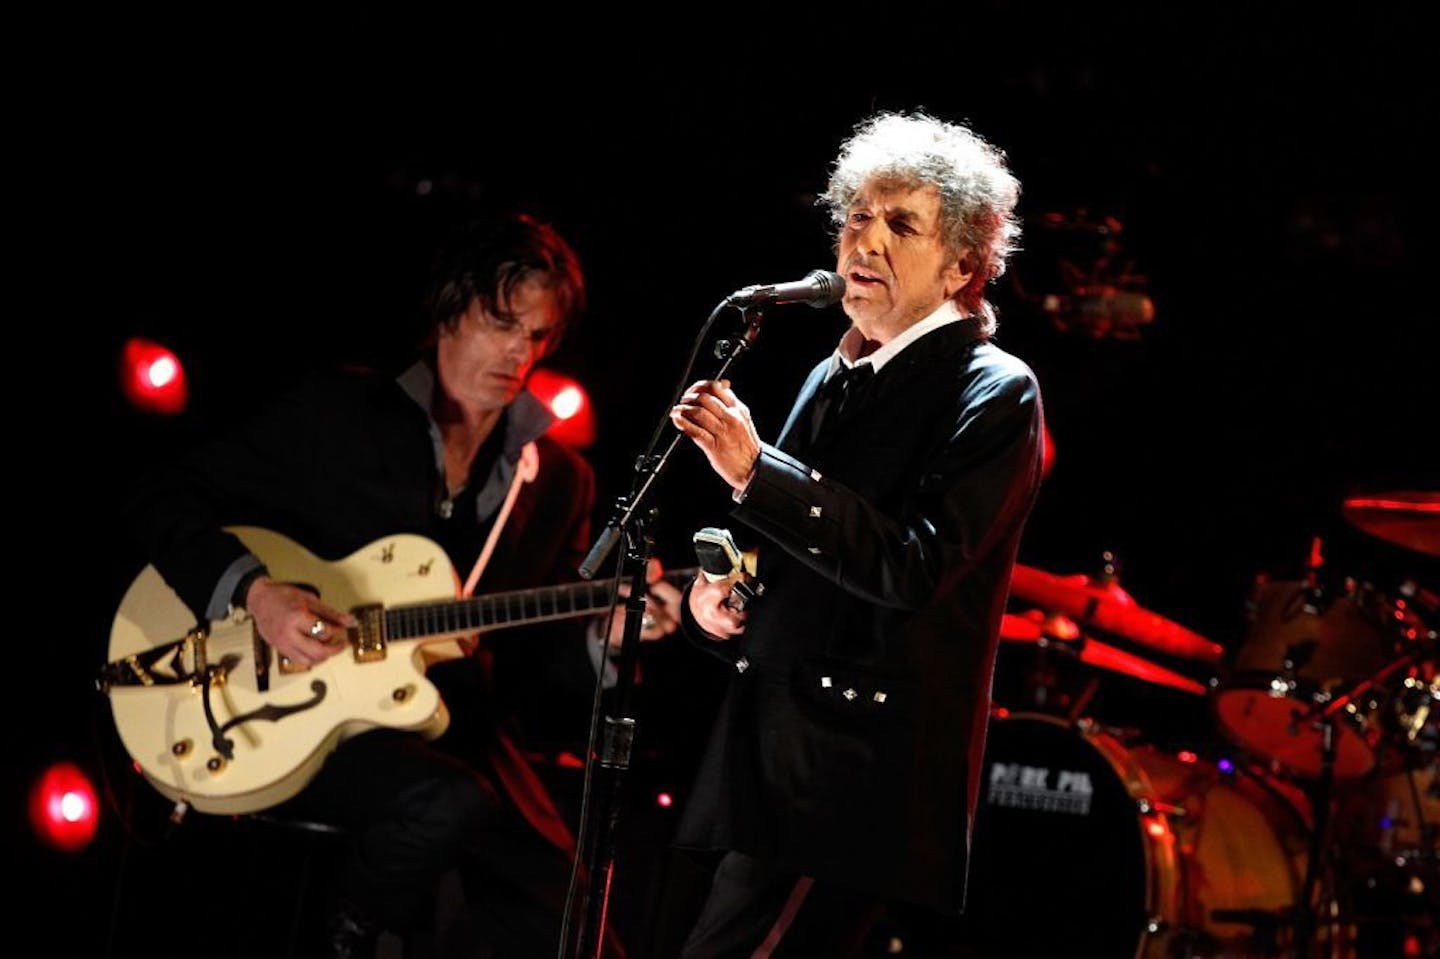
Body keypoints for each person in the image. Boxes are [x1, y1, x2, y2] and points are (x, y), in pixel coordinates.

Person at [122, 212, 681, 958]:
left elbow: (531, 673)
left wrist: (601, 643)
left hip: (461, 734)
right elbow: (161, 496)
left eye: (539, 335)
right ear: (450, 306)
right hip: (300, 718)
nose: (519, 351)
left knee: (578, 928)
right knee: (445, 805)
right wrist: (255, 594)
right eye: (501, 321)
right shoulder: (339, 416)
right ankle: (344, 938)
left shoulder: (556, 483)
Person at [668, 111, 1046, 956]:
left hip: (855, 780)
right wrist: (718, 596)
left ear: (962, 265)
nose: (864, 242)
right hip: (766, 758)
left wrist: (756, 472)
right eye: (856, 218)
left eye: (900, 224)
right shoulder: (831, 371)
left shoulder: (994, 390)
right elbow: (785, 551)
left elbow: (914, 565)